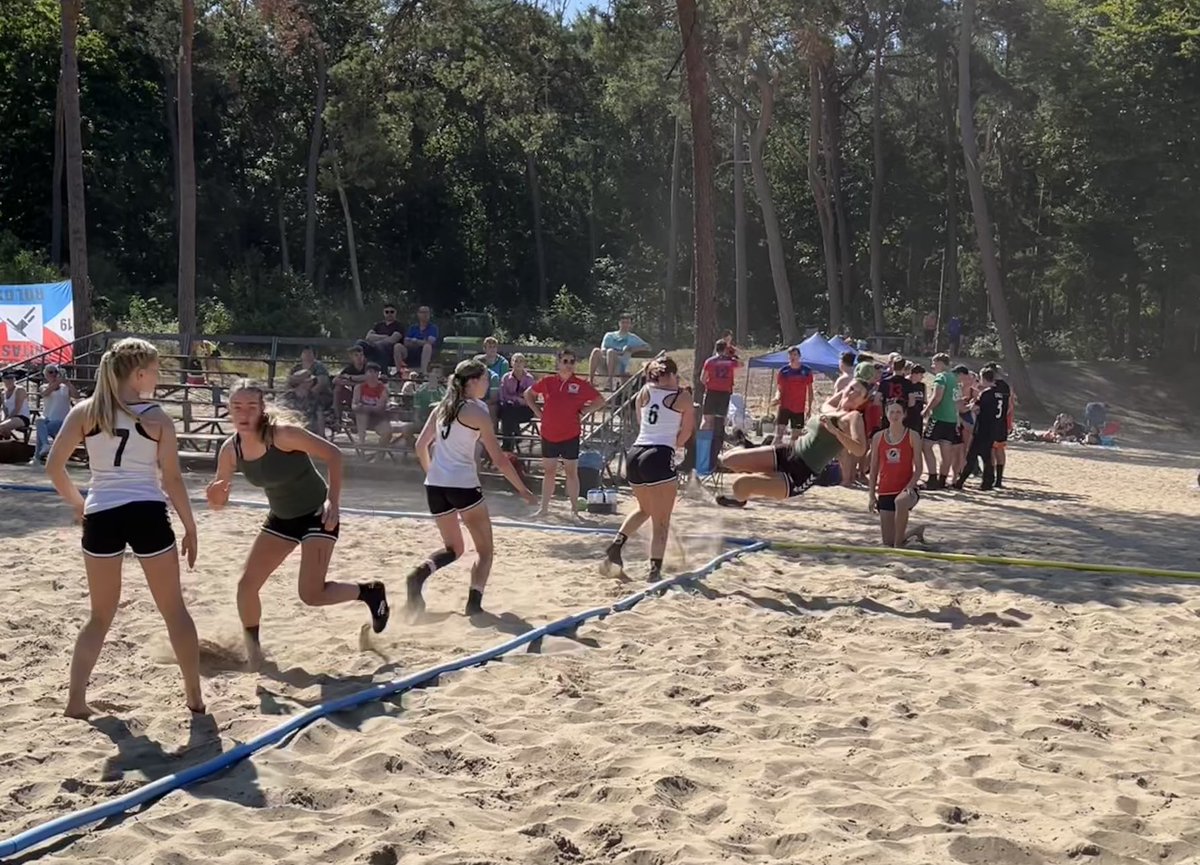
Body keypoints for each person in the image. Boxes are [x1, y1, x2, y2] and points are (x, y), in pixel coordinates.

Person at [43, 338, 204, 718]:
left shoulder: (86, 411)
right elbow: (172, 479)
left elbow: (54, 467)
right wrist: (190, 526)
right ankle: (194, 697)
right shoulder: (156, 417)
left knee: (99, 616)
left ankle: (76, 701)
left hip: (102, 513)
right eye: (156, 370)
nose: (159, 376)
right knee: (174, 610)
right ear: (139, 374)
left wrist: (79, 504)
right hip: (147, 511)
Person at [205, 380, 390, 671]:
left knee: (311, 595)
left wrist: (333, 501)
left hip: (317, 513)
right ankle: (254, 653)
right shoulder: (231, 450)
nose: (244, 414)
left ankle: (370, 592)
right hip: (282, 518)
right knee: (246, 586)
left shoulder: (283, 434)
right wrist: (216, 496)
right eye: (237, 407)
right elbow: (219, 500)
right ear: (229, 409)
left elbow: (334, 455)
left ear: (262, 409)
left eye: (251, 407)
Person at [405, 359, 536, 618]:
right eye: (485, 379)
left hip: (436, 486)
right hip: (463, 485)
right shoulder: (477, 412)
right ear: (473, 381)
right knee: (485, 552)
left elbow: (421, 446)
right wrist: (522, 489)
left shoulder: (442, 407)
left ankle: (419, 574)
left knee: (453, 549)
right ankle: (474, 604)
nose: (488, 384)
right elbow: (499, 459)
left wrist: (432, 473)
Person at [601, 358, 695, 582]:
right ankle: (654, 571)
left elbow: (640, 420)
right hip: (659, 454)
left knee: (645, 509)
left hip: (636, 453)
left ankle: (616, 546)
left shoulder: (644, 392)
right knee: (661, 521)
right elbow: (686, 433)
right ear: (671, 375)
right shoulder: (682, 396)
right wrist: (673, 445)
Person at [715, 380, 870, 508]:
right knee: (729, 460)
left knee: (740, 486)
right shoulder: (829, 408)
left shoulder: (853, 417)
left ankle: (742, 497)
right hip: (789, 452)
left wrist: (835, 431)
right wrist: (848, 387)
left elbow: (859, 450)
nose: (852, 394)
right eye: (851, 388)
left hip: (802, 472)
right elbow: (842, 392)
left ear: (863, 401)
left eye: (858, 393)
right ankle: (757, 470)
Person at [524, 349, 605, 518]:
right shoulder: (548, 381)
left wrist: (583, 412)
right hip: (549, 433)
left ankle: (574, 510)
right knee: (549, 472)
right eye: (565, 361)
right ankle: (544, 508)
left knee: (571, 473)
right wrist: (538, 412)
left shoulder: (581, 384)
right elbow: (528, 394)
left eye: (571, 361)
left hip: (570, 434)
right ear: (558, 363)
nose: (568, 365)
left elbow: (600, 401)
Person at [869, 400, 925, 547]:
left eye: (898, 412)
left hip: (906, 490)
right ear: (886, 414)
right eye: (891, 412)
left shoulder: (912, 435)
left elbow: (919, 468)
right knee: (887, 541)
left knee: (900, 501)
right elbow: (873, 469)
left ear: (904, 414)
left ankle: (899, 544)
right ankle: (914, 532)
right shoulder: (878, 437)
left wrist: (909, 486)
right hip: (885, 490)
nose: (895, 415)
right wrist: (871, 495)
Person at [954, 366, 1006, 491]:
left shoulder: (986, 393)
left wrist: (968, 405)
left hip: (983, 427)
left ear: (984, 378)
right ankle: (987, 482)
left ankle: (961, 481)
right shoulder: (1000, 393)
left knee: (972, 455)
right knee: (987, 456)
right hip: (994, 427)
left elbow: (975, 408)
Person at [921, 353, 960, 489]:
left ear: (941, 363)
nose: (932, 366)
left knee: (926, 445)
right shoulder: (955, 379)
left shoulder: (941, 377)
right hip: (951, 419)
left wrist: (927, 410)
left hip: (939, 417)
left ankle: (932, 478)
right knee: (946, 449)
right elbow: (957, 400)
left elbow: (937, 397)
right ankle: (942, 480)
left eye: (934, 363)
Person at [589, 314, 651, 392]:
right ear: (619, 323)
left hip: (620, 366)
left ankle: (610, 381)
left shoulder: (632, 337)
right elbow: (603, 349)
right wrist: (619, 352)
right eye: (623, 322)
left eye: (627, 323)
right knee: (596, 351)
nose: (625, 325)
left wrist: (632, 349)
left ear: (630, 325)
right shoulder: (609, 335)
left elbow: (648, 347)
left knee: (611, 352)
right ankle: (590, 381)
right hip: (605, 363)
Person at [35, 363, 79, 461]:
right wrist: (58, 382)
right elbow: (45, 393)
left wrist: (68, 383)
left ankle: (38, 455)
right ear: (46, 375)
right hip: (48, 420)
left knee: (41, 431)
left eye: (56, 372)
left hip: (63, 422)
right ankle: (44, 448)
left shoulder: (65, 387)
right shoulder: (43, 387)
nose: (54, 374)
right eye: (51, 372)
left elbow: (76, 395)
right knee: (39, 422)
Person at [773, 347, 815, 446]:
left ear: (799, 356)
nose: (792, 357)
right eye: (790, 355)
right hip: (785, 406)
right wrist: (777, 397)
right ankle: (772, 453)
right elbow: (779, 388)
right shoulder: (783, 371)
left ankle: (792, 454)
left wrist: (809, 408)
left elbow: (810, 391)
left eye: (795, 355)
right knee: (778, 435)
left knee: (795, 438)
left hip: (799, 408)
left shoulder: (806, 371)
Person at [285, 346, 332, 433]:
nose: (307, 355)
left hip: (320, 395)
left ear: (314, 355)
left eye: (309, 353)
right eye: (304, 353)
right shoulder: (297, 367)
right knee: (288, 402)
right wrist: (297, 391)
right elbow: (289, 383)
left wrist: (309, 393)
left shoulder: (319, 367)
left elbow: (322, 383)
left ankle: (320, 434)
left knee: (317, 407)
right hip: (299, 394)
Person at [352, 362, 393, 453]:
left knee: (387, 433)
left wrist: (363, 406)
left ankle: (378, 457)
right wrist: (360, 407)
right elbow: (354, 405)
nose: (372, 375)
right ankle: (361, 442)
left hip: (378, 418)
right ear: (366, 373)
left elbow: (379, 408)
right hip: (362, 419)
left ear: (378, 374)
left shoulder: (383, 389)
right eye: (370, 371)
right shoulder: (359, 388)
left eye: (375, 372)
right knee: (361, 413)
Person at [498, 352, 536, 451]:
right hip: (509, 408)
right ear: (511, 363)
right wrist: (518, 399)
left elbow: (532, 396)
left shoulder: (529, 379)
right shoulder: (506, 378)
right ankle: (515, 436)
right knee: (508, 410)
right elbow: (503, 396)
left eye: (521, 361)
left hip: (524, 410)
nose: (518, 363)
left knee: (508, 415)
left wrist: (520, 400)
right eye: (516, 361)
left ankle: (507, 444)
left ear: (524, 363)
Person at [700, 339, 740, 431]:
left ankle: (703, 439)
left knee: (707, 420)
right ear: (726, 349)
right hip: (725, 393)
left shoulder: (709, 361)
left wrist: (711, 384)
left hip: (711, 392)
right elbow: (741, 364)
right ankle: (718, 438)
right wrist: (733, 354)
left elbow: (702, 379)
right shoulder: (730, 362)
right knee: (721, 419)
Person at [362, 303, 406, 372]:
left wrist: (376, 338)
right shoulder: (378, 325)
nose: (389, 314)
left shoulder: (399, 326)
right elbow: (368, 337)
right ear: (383, 313)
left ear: (395, 313)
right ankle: (358, 370)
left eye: (392, 312)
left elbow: (392, 340)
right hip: (374, 347)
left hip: (390, 351)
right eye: (387, 312)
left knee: (381, 345)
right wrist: (384, 336)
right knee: (360, 343)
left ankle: (384, 372)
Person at [990, 365, 1014, 488]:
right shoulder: (1006, 386)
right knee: (1000, 449)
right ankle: (998, 479)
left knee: (991, 450)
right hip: (1001, 422)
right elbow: (1009, 406)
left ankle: (990, 477)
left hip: (991, 422)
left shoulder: (990, 385)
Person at [334, 343, 371, 415]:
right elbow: (335, 380)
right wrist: (353, 383)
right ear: (352, 357)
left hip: (367, 396)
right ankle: (337, 416)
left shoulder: (368, 367)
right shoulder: (349, 368)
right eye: (356, 355)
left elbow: (368, 378)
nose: (359, 357)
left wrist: (350, 377)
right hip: (354, 396)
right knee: (338, 389)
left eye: (361, 355)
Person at [404, 306, 439, 375]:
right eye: (422, 312)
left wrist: (415, 341)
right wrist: (421, 342)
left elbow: (430, 342)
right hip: (411, 350)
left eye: (427, 312)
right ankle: (398, 372)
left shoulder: (433, 328)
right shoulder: (413, 328)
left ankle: (423, 373)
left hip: (426, 352)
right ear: (418, 314)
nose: (425, 314)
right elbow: (406, 341)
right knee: (398, 347)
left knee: (427, 346)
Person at [0, 370, 31, 440]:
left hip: (21, 417)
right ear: (3, 379)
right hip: (10, 417)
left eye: (12, 378)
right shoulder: (3, 393)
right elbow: (5, 409)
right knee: (2, 427)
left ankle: (8, 441)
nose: (10, 380)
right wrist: (3, 419)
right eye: (7, 378)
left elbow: (17, 409)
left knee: (2, 426)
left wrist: (6, 419)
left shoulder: (19, 390)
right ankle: (7, 441)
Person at [906, 364, 927, 435]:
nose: (922, 377)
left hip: (918, 417)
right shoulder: (905, 384)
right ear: (914, 374)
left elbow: (925, 401)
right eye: (921, 375)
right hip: (907, 416)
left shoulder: (922, 386)